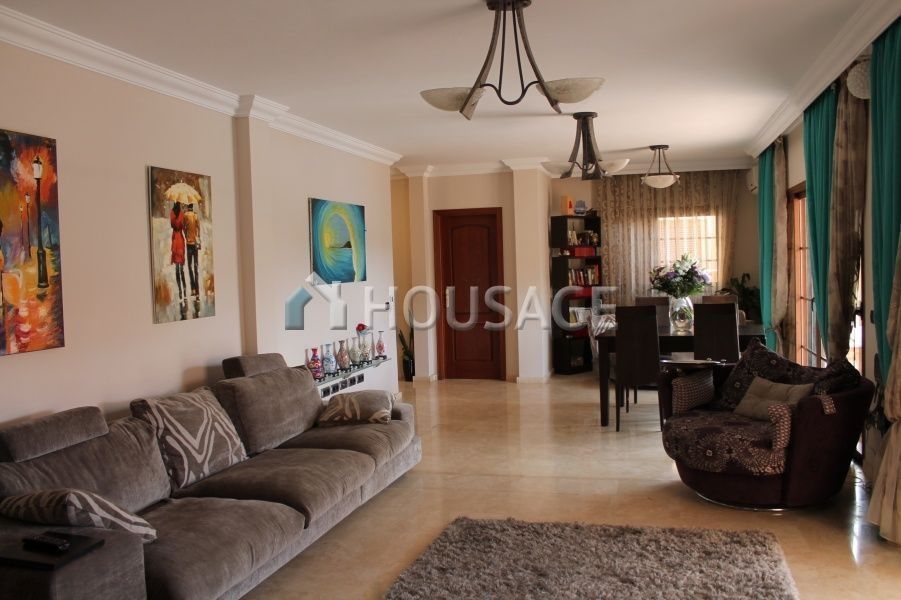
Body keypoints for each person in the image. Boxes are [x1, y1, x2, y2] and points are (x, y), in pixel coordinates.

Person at [170, 201, 186, 301]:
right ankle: (184, 288)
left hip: (175, 239)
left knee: (176, 265)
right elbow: (183, 227)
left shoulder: (172, 213)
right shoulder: (181, 214)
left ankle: (179, 287)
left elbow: (172, 225)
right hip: (180, 238)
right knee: (181, 266)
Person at [183, 203, 201, 297]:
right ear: (192, 207)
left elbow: (184, 228)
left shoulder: (185, 215)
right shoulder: (196, 215)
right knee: (196, 266)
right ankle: (197, 290)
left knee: (190, 266)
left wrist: (186, 235)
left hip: (189, 243)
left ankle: (193, 289)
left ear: (187, 207)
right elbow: (199, 228)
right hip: (195, 244)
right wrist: (198, 237)